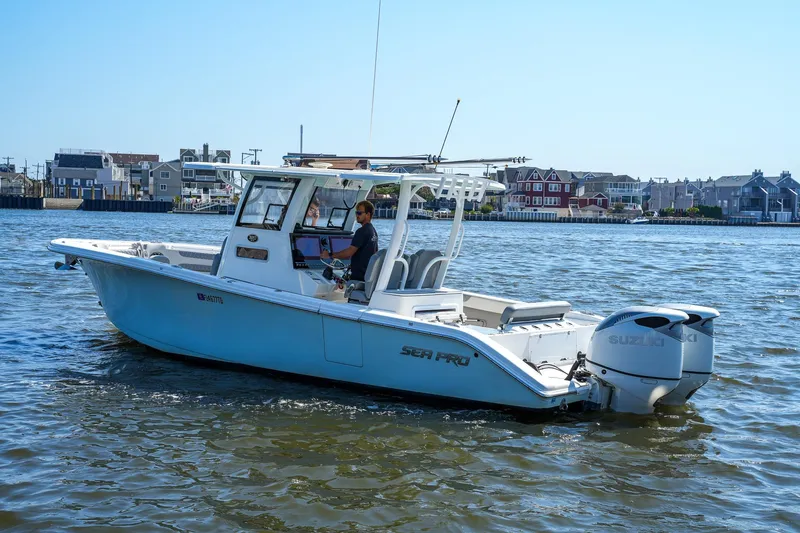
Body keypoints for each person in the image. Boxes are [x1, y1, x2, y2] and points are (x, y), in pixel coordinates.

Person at [321, 200, 377, 281]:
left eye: (359, 213)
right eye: (356, 213)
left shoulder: (361, 231)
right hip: (366, 275)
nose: (357, 215)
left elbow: (348, 253)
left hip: (358, 277)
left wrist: (329, 255)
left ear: (368, 214)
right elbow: (374, 253)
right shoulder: (373, 231)